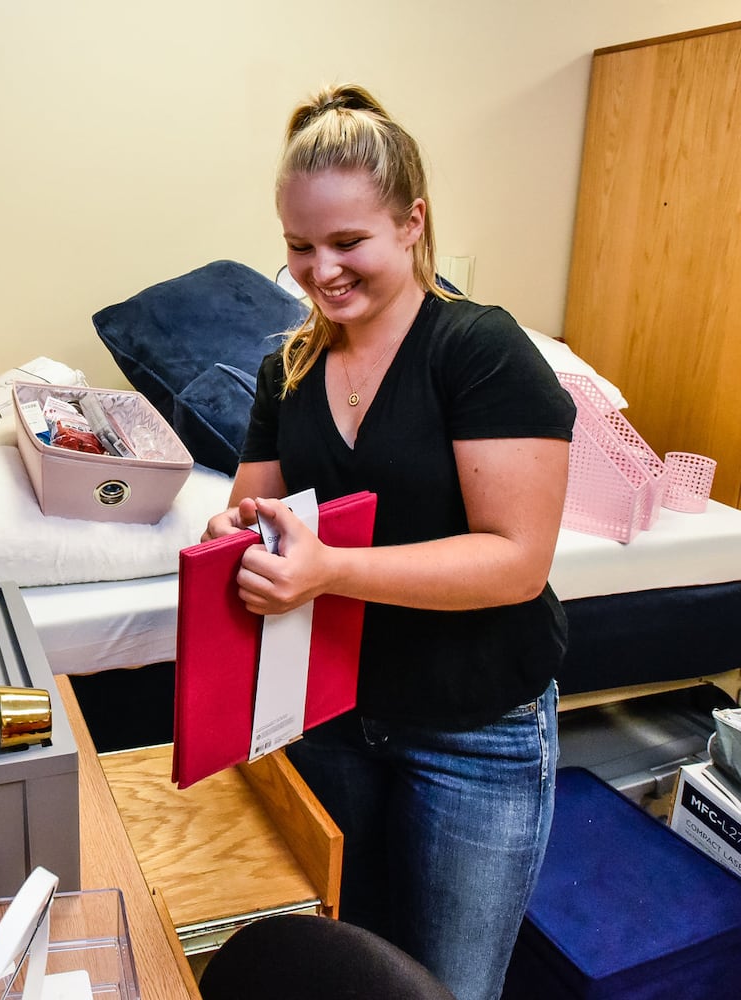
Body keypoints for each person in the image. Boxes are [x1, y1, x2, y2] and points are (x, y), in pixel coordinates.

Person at [202, 84, 576, 1000]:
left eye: (346, 243)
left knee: (446, 987)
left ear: (412, 222)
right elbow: (254, 505)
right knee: (350, 969)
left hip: (474, 731)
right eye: (298, 246)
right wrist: (234, 534)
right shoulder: (286, 366)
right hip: (332, 717)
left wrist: (328, 569)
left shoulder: (479, 351)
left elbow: (516, 563)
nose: (318, 271)